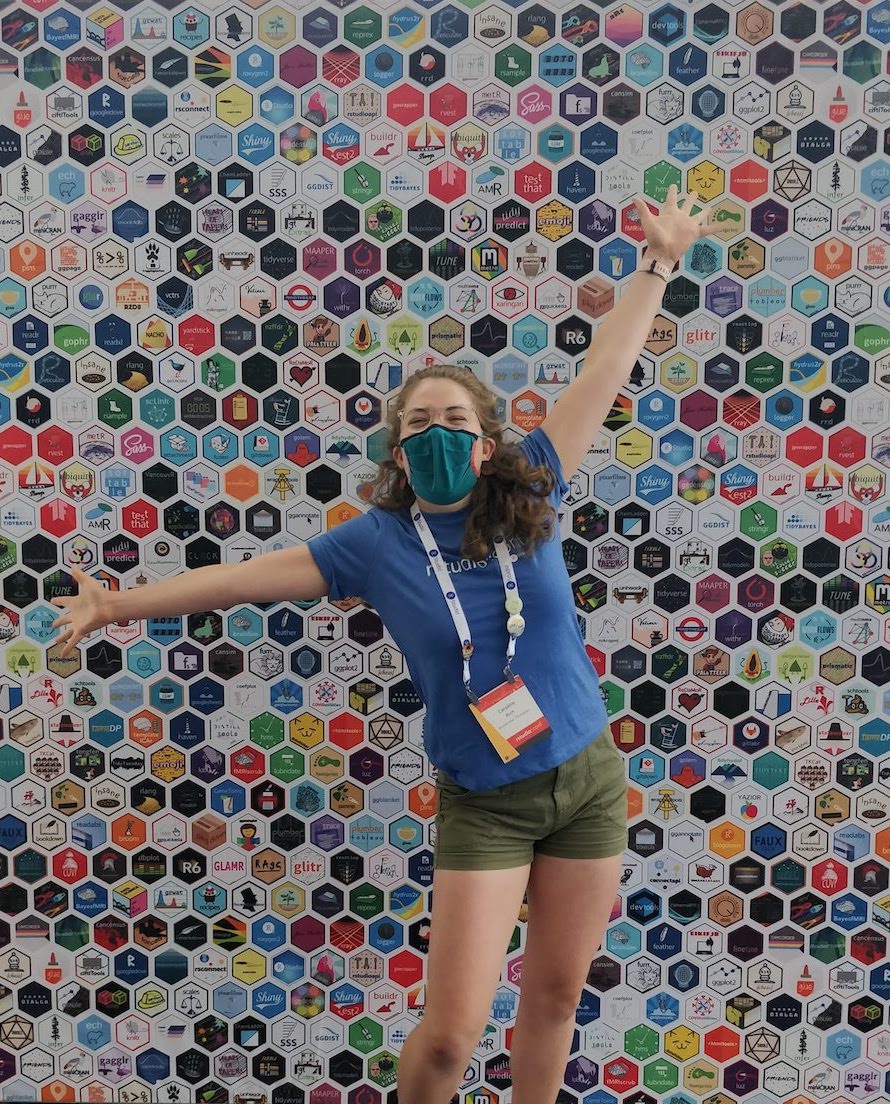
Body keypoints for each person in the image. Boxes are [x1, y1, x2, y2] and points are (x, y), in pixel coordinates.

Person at [52, 187, 716, 1104]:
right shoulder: (375, 542)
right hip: (486, 800)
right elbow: (241, 580)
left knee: (557, 999)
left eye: (455, 423)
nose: (437, 435)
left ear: (485, 445)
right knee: (447, 1043)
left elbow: (605, 366)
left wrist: (659, 262)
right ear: (396, 453)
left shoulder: (532, 492)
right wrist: (118, 605)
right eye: (418, 425)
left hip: (590, 783)